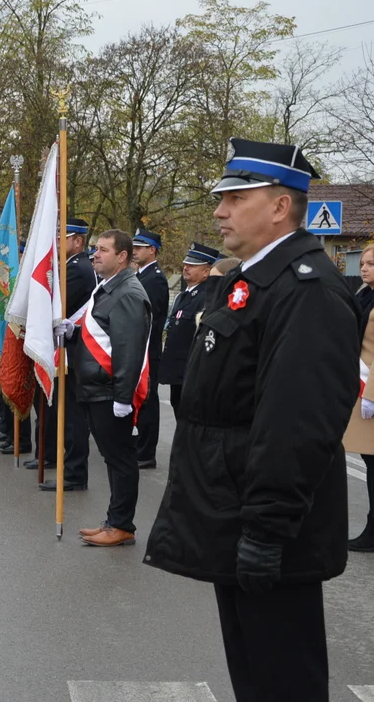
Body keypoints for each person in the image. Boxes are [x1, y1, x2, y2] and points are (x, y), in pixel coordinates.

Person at [144, 139, 358, 702]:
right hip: (234, 515)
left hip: (267, 528)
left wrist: (266, 530)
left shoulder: (305, 291)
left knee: (282, 681)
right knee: (255, 675)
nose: (219, 211)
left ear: (280, 207)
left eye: (236, 198)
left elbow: (298, 425)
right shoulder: (254, 281)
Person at [56, 229, 150, 547]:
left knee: (120, 459)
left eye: (103, 250)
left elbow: (129, 350)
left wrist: (124, 398)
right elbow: (102, 336)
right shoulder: (108, 288)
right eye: (95, 249)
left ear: (122, 256)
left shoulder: (129, 294)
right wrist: (72, 333)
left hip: (110, 392)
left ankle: (122, 525)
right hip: (95, 389)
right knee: (111, 459)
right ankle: (114, 520)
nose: (95, 254)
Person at [35, 220, 97, 486]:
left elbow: (56, 305)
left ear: (78, 241)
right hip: (66, 348)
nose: (58, 242)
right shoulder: (70, 266)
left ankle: (74, 472)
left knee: (72, 414)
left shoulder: (78, 269)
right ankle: (64, 463)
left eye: (63, 238)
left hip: (72, 350)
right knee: (64, 410)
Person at [158, 242, 219, 412]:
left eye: (192, 265)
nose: (186, 268)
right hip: (178, 371)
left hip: (190, 372)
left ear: (206, 271)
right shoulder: (183, 296)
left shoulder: (206, 298)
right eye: (186, 264)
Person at [344, 243, 374, 553]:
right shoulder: (363, 295)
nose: (364, 268)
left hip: (372, 391)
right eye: (363, 263)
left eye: (371, 264)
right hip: (361, 387)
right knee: (370, 462)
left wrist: (371, 394)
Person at [131, 227, 168, 470]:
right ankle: (139, 447)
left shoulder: (154, 278)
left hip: (147, 349)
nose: (134, 251)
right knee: (139, 399)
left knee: (146, 400)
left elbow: (147, 318)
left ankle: (146, 452)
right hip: (138, 348)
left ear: (152, 250)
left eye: (139, 247)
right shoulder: (142, 275)